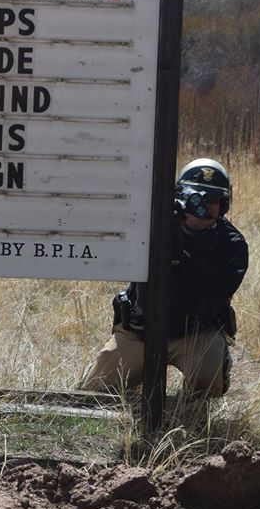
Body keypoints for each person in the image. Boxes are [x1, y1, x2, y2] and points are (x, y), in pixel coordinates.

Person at [82, 158, 249, 402]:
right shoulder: (151, 226)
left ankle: (190, 406)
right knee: (92, 393)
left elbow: (214, 290)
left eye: (215, 201)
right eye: (198, 198)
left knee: (208, 382)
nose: (206, 207)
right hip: (140, 332)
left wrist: (180, 254)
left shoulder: (230, 243)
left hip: (195, 333)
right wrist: (155, 228)